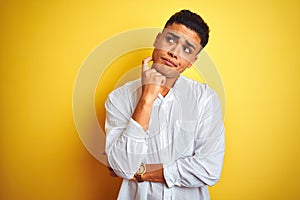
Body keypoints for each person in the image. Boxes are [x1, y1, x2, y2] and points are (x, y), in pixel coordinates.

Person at [105, 9, 225, 200]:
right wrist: (146, 100)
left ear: (192, 62)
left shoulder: (205, 99)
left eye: (187, 49)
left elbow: (209, 169)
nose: (174, 53)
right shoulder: (119, 98)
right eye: (170, 40)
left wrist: (141, 173)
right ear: (157, 39)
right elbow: (123, 166)